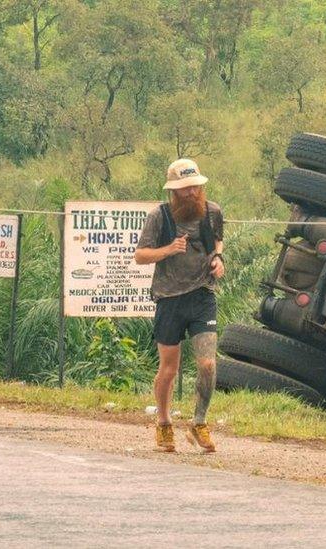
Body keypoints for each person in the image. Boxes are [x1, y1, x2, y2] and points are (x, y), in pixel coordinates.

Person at [135, 158, 225, 453]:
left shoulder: (213, 212)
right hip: (169, 298)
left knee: (208, 363)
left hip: (202, 295)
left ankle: (199, 422)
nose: (191, 194)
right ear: (174, 191)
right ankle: (163, 423)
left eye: (195, 187)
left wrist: (218, 259)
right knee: (169, 370)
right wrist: (168, 249)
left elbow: (218, 242)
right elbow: (141, 256)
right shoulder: (159, 217)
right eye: (185, 189)